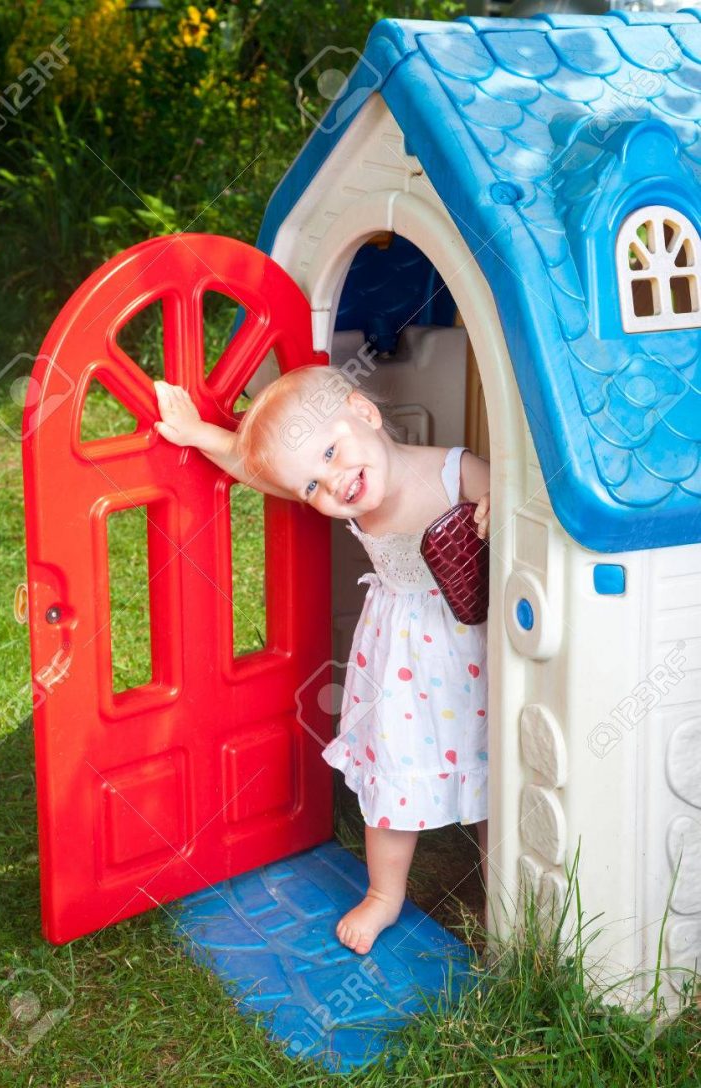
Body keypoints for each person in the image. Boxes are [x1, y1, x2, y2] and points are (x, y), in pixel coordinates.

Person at [154, 366, 490, 955]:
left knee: (493, 777)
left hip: (473, 649)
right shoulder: (344, 485)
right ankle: (385, 895)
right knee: (392, 775)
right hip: (401, 661)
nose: (334, 483)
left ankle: (502, 897)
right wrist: (197, 432)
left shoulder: (453, 468)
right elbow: (252, 465)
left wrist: (496, 500)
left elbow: (525, 491)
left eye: (331, 453)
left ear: (364, 413)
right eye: (313, 485)